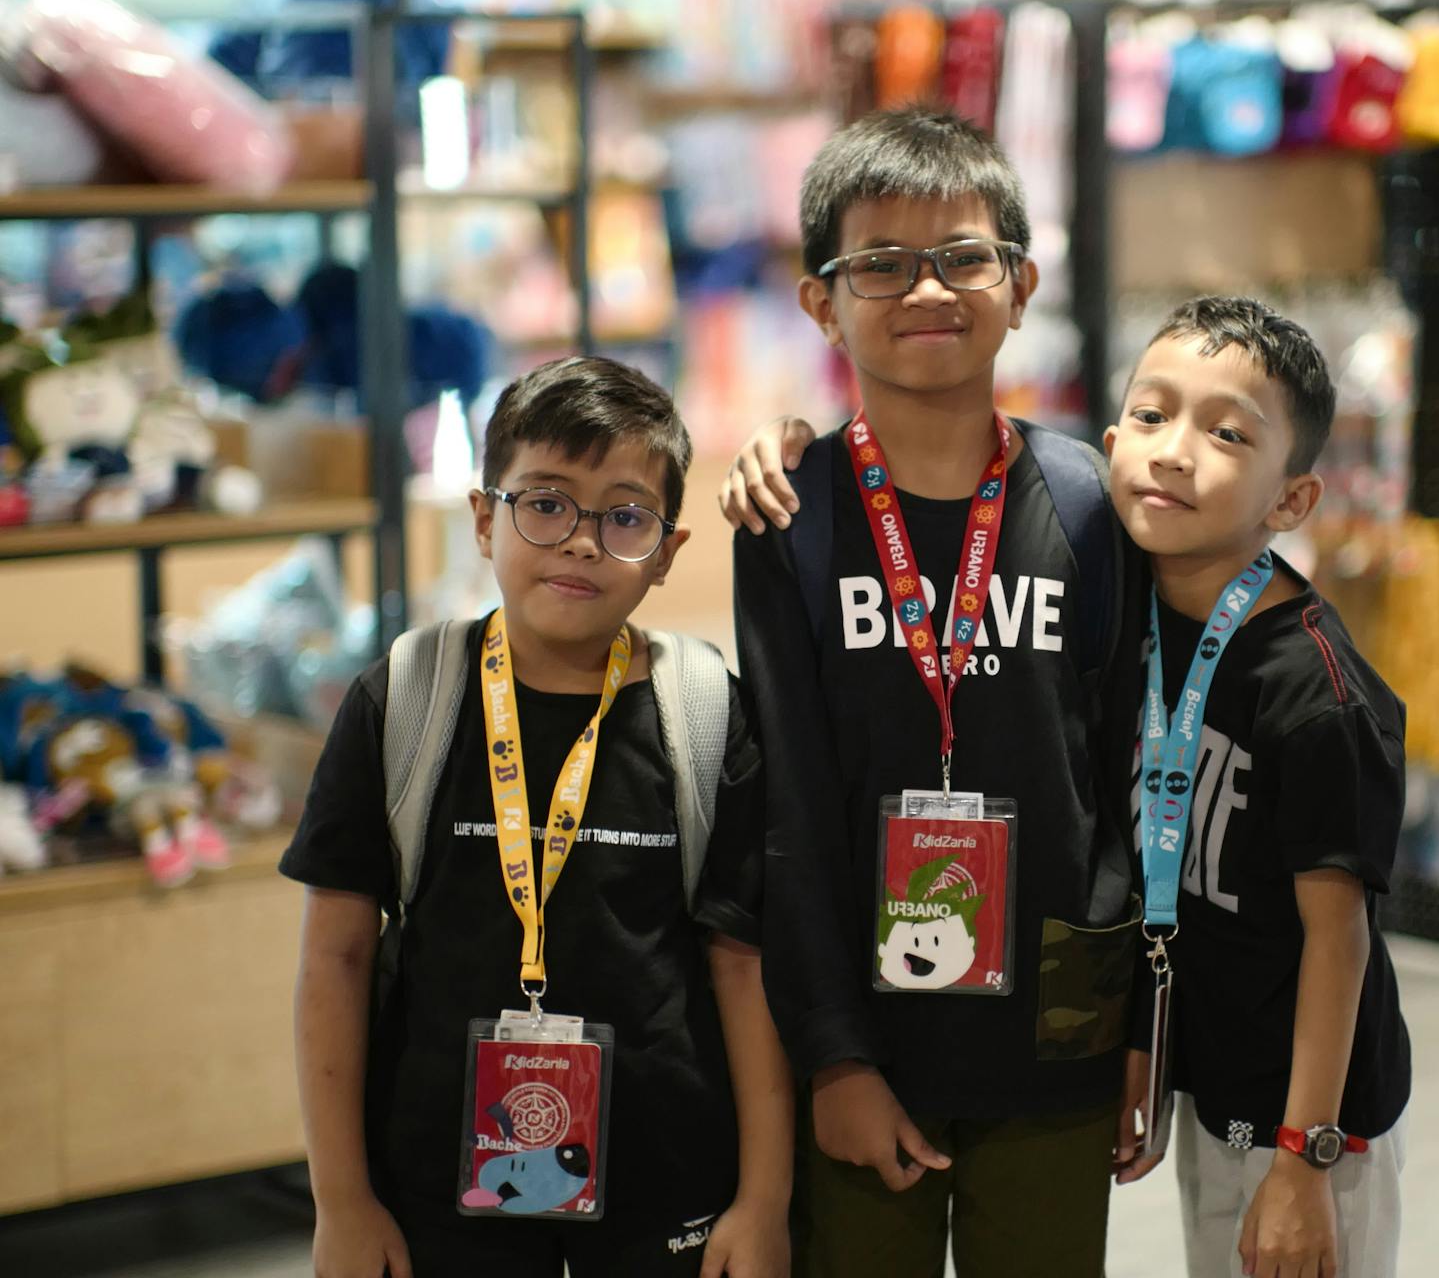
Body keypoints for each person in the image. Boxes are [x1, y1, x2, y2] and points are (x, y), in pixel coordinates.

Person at [727, 105, 1143, 1278]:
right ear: (822, 300)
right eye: (881, 264)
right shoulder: (791, 513)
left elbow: (1118, 775)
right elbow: (791, 806)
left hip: (1054, 1047)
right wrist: (834, 1057)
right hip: (871, 1038)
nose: (927, 291)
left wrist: (1128, 1032)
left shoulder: (1093, 502)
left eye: (962, 257)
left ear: (1020, 281)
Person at [284, 356, 792, 1278]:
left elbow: (743, 968)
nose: (583, 542)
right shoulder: (405, 696)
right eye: (546, 503)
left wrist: (762, 1203)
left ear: (668, 551)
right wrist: (341, 1200)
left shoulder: (705, 711)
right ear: (485, 518)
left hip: (666, 1184)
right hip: (438, 1184)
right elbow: (336, 957)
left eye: (625, 516)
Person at [1107, 297, 1412, 1278]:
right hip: (1220, 1092)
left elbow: (1340, 935)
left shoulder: (1317, 696)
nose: (1174, 450)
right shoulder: (1134, 615)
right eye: (1152, 415)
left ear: (1291, 501)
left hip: (1316, 1129)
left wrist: (1303, 1159)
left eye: (1227, 432)